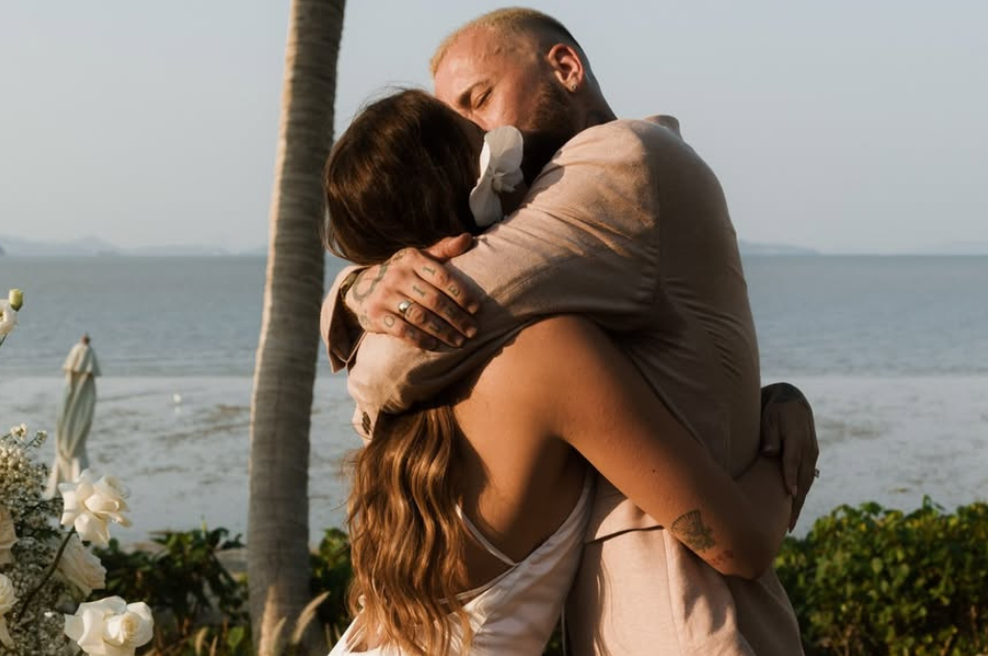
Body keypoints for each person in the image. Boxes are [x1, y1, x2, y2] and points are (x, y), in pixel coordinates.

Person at [322, 9, 818, 656]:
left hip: (689, 628)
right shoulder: (542, 348)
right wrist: (788, 439)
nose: (478, 140)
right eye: (458, 123)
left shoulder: (618, 160)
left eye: (479, 100)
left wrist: (359, 295)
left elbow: (401, 346)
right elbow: (741, 537)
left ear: (564, 68)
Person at [45, 334, 100, 498]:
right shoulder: (74, 391)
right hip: (70, 443)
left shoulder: (81, 392)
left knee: (71, 445)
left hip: (73, 445)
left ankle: (72, 487)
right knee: (69, 444)